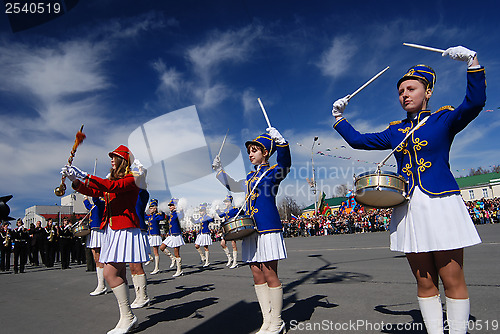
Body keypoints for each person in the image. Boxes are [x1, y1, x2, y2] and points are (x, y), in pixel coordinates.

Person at [331, 46, 485, 334]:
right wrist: (339, 118)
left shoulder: (443, 119)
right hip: (408, 207)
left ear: (427, 92)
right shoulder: (395, 130)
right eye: (401, 91)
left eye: (411, 88)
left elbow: (475, 102)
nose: (404, 94)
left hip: (441, 202)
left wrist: (471, 62)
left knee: (452, 277)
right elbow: (359, 141)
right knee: (424, 281)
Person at [61, 145, 149, 334]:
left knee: (110, 273)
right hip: (113, 230)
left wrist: (85, 175)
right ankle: (127, 317)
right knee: (119, 274)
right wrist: (75, 181)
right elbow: (94, 192)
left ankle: (128, 316)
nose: (111, 159)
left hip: (125, 229)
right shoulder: (114, 180)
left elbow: (111, 187)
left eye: (114, 157)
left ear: (123, 160)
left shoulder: (132, 178)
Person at [213, 128, 291, 334]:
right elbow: (234, 186)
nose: (250, 154)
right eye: (249, 151)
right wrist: (219, 172)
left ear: (265, 153)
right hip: (251, 230)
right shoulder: (249, 177)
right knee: (257, 274)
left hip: (267, 227)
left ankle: (277, 321)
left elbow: (285, 164)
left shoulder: (273, 172)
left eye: (255, 150)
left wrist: (282, 143)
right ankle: (266, 321)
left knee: (269, 272)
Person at [84, 195, 107, 295]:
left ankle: (102, 285)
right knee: (95, 257)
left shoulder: (101, 202)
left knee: (99, 258)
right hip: (93, 231)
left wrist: (92, 191)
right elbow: (89, 206)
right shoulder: (94, 206)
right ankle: (101, 284)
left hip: (99, 230)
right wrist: (85, 199)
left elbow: (96, 201)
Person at [159, 198, 184, 278]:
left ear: (175, 206)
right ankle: (172, 258)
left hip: (176, 235)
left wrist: (181, 210)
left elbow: (181, 216)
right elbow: (163, 217)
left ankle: (179, 270)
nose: (170, 207)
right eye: (169, 205)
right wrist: (162, 211)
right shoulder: (171, 214)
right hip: (171, 235)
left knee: (177, 253)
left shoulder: (177, 213)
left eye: (171, 205)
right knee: (162, 247)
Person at [145, 199, 170, 275]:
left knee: (156, 252)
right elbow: (143, 215)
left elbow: (162, 217)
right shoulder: (150, 217)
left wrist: (162, 210)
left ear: (155, 208)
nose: (149, 209)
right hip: (150, 235)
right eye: (149, 207)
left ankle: (156, 268)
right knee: (145, 246)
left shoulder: (157, 216)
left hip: (155, 235)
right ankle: (150, 257)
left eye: (151, 207)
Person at [216, 195, 240, 269]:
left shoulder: (234, 208)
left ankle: (235, 262)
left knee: (233, 244)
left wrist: (240, 208)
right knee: (222, 244)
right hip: (226, 228)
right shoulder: (225, 210)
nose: (225, 203)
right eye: (225, 202)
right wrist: (217, 210)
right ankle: (230, 258)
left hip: (232, 227)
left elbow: (241, 213)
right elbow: (221, 216)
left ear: (230, 202)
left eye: (226, 202)